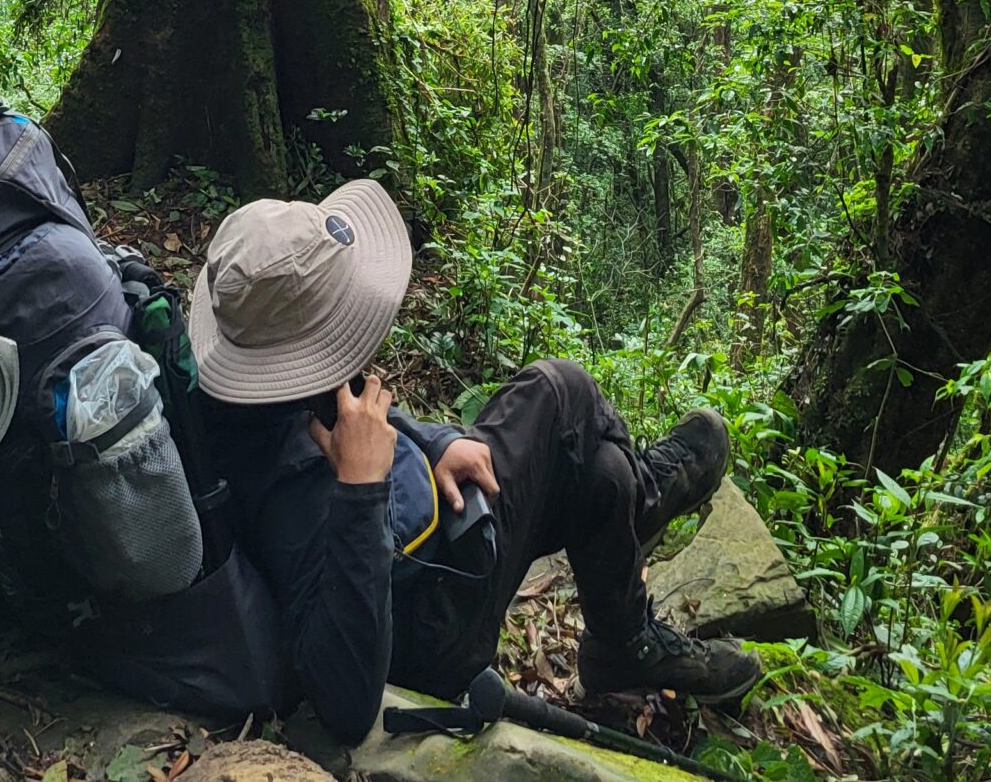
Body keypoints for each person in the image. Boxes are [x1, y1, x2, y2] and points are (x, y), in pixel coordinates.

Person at [188, 177, 761, 743]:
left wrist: (433, 442)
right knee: (557, 388)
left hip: (429, 532)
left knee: (602, 478)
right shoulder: (285, 484)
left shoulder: (253, 390)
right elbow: (346, 703)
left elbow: (341, 404)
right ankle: (648, 502)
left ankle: (622, 640)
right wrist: (360, 488)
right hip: (436, 626)